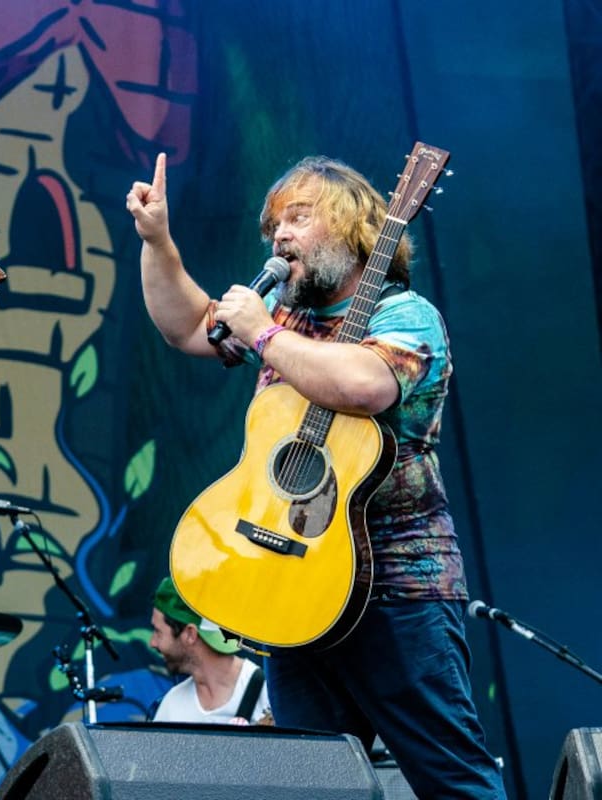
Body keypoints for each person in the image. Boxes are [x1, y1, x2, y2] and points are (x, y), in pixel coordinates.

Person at [127, 153, 506, 798]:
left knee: (452, 780)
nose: (280, 236)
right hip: (293, 589)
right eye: (274, 224)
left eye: (298, 219)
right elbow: (187, 325)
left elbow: (362, 385)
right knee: (310, 785)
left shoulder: (405, 315)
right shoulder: (287, 315)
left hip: (397, 589)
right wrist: (158, 240)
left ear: (355, 229)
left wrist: (265, 334)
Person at [149, 577, 269, 725]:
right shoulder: (171, 706)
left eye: (158, 631)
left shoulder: (268, 695)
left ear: (190, 634)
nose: (152, 643)